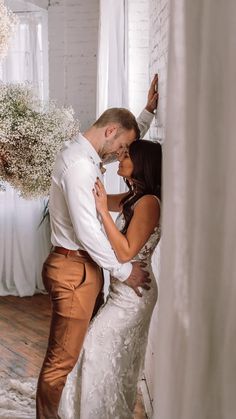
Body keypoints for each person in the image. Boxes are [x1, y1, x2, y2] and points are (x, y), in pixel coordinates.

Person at [36, 76, 158, 419]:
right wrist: (124, 272)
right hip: (74, 268)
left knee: (80, 354)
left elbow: (138, 155)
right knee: (63, 361)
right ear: (109, 132)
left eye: (125, 153)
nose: (121, 156)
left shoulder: (87, 158)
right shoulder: (78, 166)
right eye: (121, 148)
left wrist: (146, 113)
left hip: (83, 270)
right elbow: (88, 232)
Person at [59, 139, 162, 419]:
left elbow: (126, 251)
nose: (121, 158)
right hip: (121, 290)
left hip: (135, 294)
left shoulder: (150, 204)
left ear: (142, 165)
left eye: (127, 155)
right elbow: (95, 201)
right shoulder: (133, 199)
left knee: (97, 350)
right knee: (100, 354)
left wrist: (104, 211)